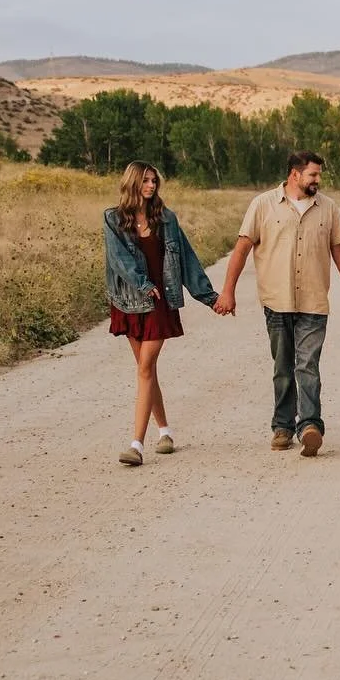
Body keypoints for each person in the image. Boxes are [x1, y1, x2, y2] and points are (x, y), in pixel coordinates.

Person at [214, 151, 340, 457]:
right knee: (282, 366)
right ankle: (282, 425)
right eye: (313, 175)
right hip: (276, 300)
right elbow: (241, 250)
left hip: (314, 301)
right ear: (295, 174)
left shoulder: (328, 208)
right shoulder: (263, 205)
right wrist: (228, 291)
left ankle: (309, 426)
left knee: (308, 365)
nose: (318, 180)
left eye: (318, 175)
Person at [103, 161, 221, 466]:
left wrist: (210, 298)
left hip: (159, 302)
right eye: (146, 181)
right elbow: (118, 260)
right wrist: (142, 284)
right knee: (147, 371)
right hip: (129, 301)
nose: (152, 186)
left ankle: (136, 445)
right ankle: (165, 432)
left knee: (145, 369)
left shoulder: (166, 219)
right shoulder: (113, 219)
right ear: (132, 183)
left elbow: (188, 260)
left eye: (154, 181)